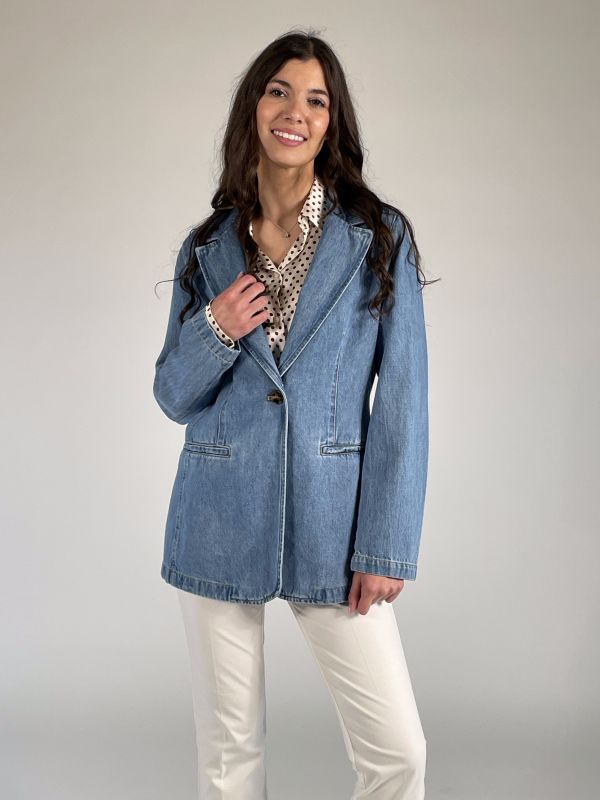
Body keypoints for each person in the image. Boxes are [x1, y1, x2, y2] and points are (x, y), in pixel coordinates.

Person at [153, 28, 437, 800]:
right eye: (279, 91)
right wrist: (215, 328)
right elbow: (173, 395)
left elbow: (403, 400)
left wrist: (385, 543)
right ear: (253, 106)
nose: (295, 112)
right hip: (217, 513)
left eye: (316, 100)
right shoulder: (207, 248)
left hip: (333, 525)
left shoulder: (378, 238)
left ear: (331, 122)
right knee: (228, 757)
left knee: (398, 753)